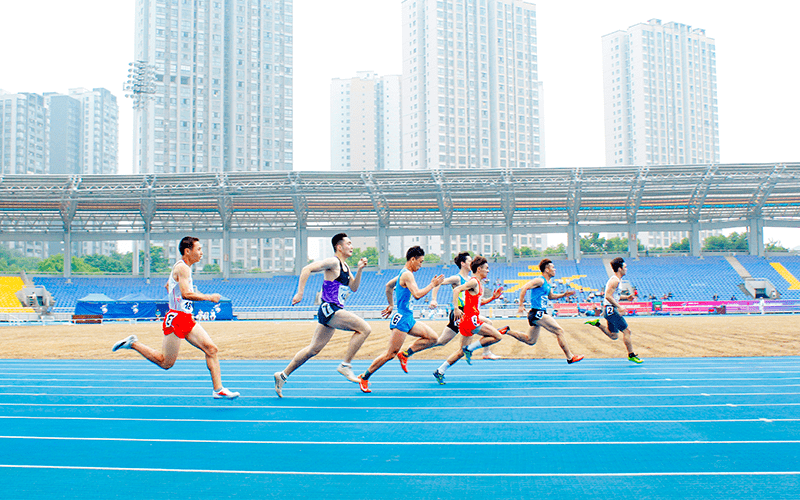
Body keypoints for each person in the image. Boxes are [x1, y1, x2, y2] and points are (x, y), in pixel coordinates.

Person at [112, 236, 239, 399]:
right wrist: (208, 297)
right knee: (165, 363)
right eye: (198, 249)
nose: (201, 253)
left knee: (211, 349)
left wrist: (176, 297)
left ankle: (218, 389)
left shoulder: (183, 267)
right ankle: (133, 343)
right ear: (188, 251)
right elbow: (186, 294)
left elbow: (168, 286)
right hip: (177, 319)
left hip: (186, 317)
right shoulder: (183, 268)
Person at [273, 233, 371, 397]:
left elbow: (353, 287)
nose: (352, 246)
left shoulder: (346, 267)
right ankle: (345, 365)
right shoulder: (333, 262)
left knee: (313, 349)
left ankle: (283, 375)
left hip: (332, 310)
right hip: (330, 308)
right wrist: (300, 293)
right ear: (339, 247)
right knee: (364, 329)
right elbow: (307, 269)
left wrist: (360, 270)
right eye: (349, 243)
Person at [356, 246, 444, 393]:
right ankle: (364, 377)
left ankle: (405, 354)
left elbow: (388, 286)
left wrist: (390, 304)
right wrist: (432, 285)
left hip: (408, 317)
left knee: (433, 338)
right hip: (402, 318)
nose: (421, 266)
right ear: (412, 259)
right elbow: (416, 294)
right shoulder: (407, 275)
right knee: (390, 354)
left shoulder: (403, 273)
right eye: (420, 262)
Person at [396, 252, 504, 370]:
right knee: (487, 323)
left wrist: (492, 298)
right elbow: (438, 283)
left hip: (466, 313)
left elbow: (478, 302)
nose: (472, 262)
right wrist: (433, 299)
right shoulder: (457, 278)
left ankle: (407, 352)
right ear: (463, 263)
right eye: (469, 261)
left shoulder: (472, 280)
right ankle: (485, 353)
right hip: (460, 313)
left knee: (441, 341)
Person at [432, 256, 523, 385]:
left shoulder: (478, 283)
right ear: (479, 269)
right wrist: (456, 308)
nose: (488, 271)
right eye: (486, 268)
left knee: (461, 351)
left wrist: (493, 297)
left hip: (467, 321)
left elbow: (481, 302)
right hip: (471, 320)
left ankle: (440, 370)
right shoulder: (474, 282)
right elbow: (457, 289)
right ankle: (472, 348)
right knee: (497, 336)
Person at [503, 258, 584, 364]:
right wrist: (521, 305)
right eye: (553, 267)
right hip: (537, 312)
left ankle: (507, 331)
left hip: (540, 313)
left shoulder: (548, 283)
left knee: (530, 340)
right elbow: (524, 288)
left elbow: (551, 296)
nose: (555, 269)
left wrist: (564, 295)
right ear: (546, 269)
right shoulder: (540, 280)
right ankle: (570, 357)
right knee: (559, 331)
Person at [585, 257, 643, 363]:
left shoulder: (617, 280)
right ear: (620, 268)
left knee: (614, 336)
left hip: (609, 310)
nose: (627, 269)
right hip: (610, 309)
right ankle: (631, 355)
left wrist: (626, 298)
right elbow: (607, 296)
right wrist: (620, 307)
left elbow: (614, 296)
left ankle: (597, 324)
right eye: (625, 267)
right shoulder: (615, 280)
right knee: (627, 331)